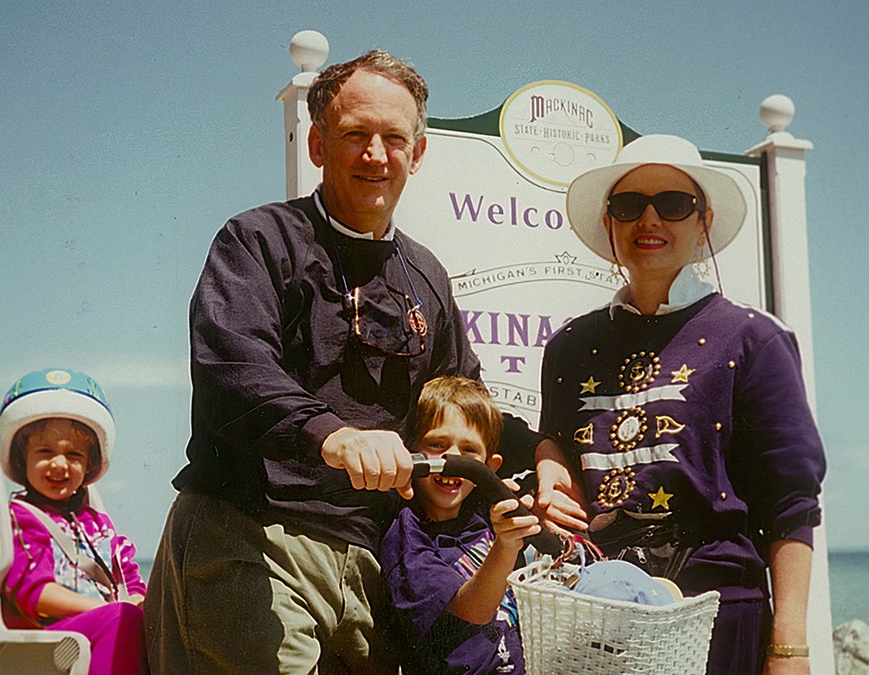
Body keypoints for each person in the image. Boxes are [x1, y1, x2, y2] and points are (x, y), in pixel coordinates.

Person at [144, 50, 582, 673]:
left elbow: (465, 400)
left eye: (393, 138)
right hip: (251, 534)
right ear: (319, 145)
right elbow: (232, 369)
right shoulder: (258, 240)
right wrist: (333, 435)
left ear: (418, 153)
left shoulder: (425, 275)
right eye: (355, 135)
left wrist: (541, 452)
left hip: (378, 555)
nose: (375, 154)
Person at [540, 134, 826, 674]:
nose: (649, 220)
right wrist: (548, 462)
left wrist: (789, 648)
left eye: (673, 204)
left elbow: (792, 503)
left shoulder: (753, 340)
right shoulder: (569, 346)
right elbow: (554, 438)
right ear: (609, 224)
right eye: (629, 206)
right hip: (597, 615)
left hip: (717, 614)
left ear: (703, 223)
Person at [381, 377, 540, 674]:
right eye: (437, 444)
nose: (451, 459)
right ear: (411, 453)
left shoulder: (485, 513)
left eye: (468, 451)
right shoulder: (408, 536)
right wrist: (506, 546)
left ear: (489, 466)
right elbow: (471, 612)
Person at [0, 368, 147, 675]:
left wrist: (146, 605)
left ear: (88, 464)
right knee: (123, 620)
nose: (60, 464)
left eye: (74, 454)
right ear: (23, 459)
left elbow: (128, 580)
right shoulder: (22, 517)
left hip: (100, 626)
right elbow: (35, 593)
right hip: (45, 640)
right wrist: (111, 611)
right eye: (45, 451)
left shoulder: (96, 524)